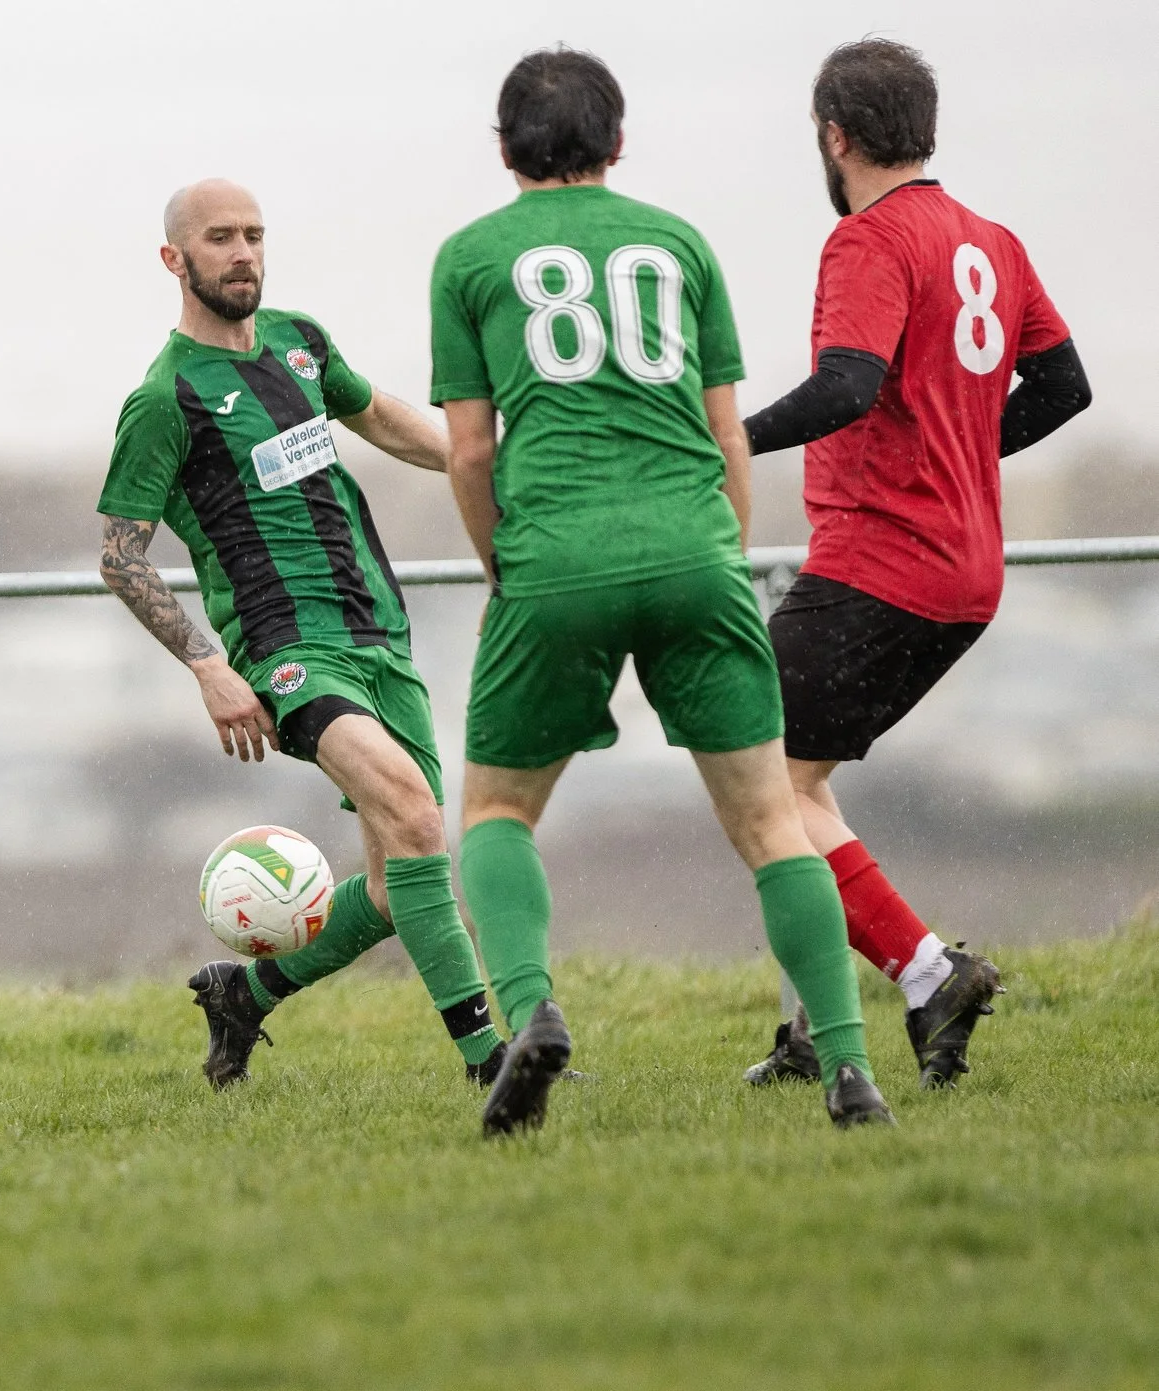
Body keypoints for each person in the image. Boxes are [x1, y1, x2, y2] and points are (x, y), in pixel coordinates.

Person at [433, 50, 890, 1135]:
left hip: (555, 560)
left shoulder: (468, 257)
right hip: (695, 549)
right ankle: (847, 1068)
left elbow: (464, 452)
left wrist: (506, 563)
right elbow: (728, 428)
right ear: (619, 142)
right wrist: (719, 549)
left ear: (501, 150)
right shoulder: (678, 242)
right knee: (772, 819)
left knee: (496, 812)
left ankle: (533, 1012)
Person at [97, 179, 503, 1097]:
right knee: (412, 813)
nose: (243, 253)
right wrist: (207, 665)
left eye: (254, 235)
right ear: (175, 260)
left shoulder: (301, 343)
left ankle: (247, 994)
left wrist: (481, 457)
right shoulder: (164, 399)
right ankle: (496, 1067)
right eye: (220, 239)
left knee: (405, 886)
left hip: (381, 633)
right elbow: (121, 557)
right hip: (287, 652)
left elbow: (381, 416)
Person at [740, 39, 1090, 1090]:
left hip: (880, 562)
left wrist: (723, 438)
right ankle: (817, 1033)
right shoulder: (990, 239)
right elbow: (1063, 385)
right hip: (963, 571)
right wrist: (954, 448)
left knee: (754, 777)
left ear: (834, 136)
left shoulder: (866, 240)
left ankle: (930, 972)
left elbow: (847, 387)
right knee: (796, 784)